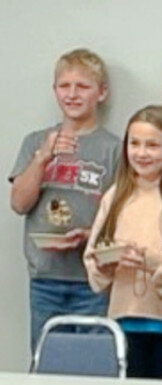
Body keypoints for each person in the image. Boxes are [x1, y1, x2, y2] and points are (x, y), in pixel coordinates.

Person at [9, 48, 120, 349]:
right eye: (64, 86)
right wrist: (43, 158)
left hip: (93, 279)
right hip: (45, 277)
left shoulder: (114, 149)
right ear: (54, 90)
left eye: (82, 86)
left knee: (92, 362)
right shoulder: (35, 142)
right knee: (46, 359)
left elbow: (121, 217)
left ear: (101, 93)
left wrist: (90, 235)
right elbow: (19, 203)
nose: (72, 94)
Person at [83, 105, 162, 379]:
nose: (141, 153)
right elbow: (93, 255)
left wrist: (156, 262)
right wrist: (105, 265)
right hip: (123, 323)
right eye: (134, 144)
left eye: (152, 145)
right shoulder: (116, 195)